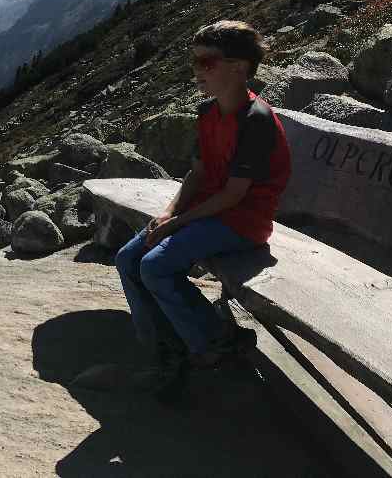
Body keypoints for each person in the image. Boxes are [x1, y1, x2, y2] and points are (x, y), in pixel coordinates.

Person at [115, 20, 291, 398]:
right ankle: (165, 350)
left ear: (239, 68)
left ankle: (215, 340)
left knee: (155, 265)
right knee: (128, 258)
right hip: (208, 213)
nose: (197, 71)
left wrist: (178, 221)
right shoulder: (208, 112)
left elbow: (233, 195)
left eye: (207, 62)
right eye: (194, 61)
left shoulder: (255, 121)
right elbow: (197, 173)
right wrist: (168, 213)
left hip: (243, 222)